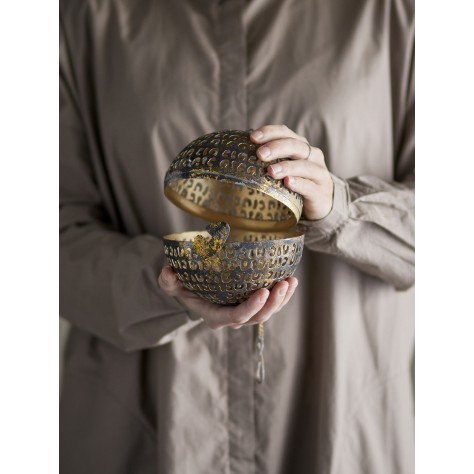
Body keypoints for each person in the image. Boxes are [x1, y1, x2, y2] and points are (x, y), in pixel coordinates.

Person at [59, 0, 415, 473]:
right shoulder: (84, 18)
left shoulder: (395, 14)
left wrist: (339, 207)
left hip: (337, 421)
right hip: (141, 431)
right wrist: (167, 283)